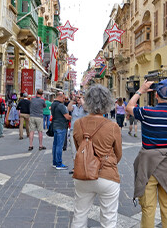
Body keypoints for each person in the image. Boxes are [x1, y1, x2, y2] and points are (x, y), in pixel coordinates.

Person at [127, 80, 167, 228]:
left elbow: (129, 107)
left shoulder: (147, 112)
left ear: (156, 95)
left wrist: (140, 90)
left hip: (148, 168)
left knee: (148, 208)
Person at [71, 85, 123, 228]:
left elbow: (79, 149)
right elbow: (118, 154)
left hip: (83, 174)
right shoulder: (113, 126)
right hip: (107, 175)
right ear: (107, 103)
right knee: (109, 219)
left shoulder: (77, 124)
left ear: (87, 102)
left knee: (79, 215)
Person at [51, 92, 72, 169]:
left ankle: (54, 162)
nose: (64, 100)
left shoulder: (53, 104)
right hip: (61, 126)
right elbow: (67, 117)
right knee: (60, 146)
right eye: (63, 98)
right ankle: (59, 164)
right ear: (59, 97)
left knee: (55, 145)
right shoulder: (61, 106)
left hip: (55, 126)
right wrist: (74, 118)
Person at [68, 94, 88, 163]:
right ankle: (75, 167)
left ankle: (82, 166)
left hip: (83, 131)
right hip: (73, 130)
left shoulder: (86, 107)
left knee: (82, 149)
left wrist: (81, 98)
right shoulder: (74, 107)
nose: (78, 99)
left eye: (80, 98)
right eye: (78, 98)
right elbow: (69, 108)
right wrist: (73, 100)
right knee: (73, 150)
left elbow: (85, 108)